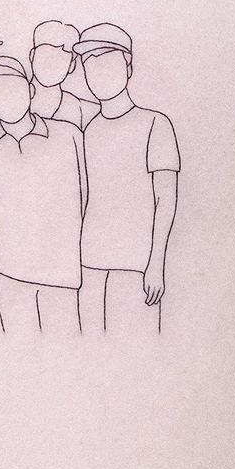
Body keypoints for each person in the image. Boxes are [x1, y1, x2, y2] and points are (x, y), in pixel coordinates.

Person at [75, 23, 180, 333]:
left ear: (128, 67)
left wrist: (156, 263)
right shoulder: (89, 129)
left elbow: (166, 199)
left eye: (108, 61)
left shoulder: (155, 124)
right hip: (89, 262)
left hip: (136, 266)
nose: (98, 72)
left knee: (138, 349)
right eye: (90, 64)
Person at [0, 56, 88, 335]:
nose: (7, 99)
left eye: (14, 89)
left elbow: (85, 197)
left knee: (66, 347)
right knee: (18, 349)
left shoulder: (69, 134)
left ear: (30, 90)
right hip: (9, 273)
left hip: (61, 272)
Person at [29, 19, 99, 129]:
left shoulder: (86, 112)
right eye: (46, 55)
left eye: (60, 59)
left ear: (72, 65)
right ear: (32, 55)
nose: (51, 64)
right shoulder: (10, 102)